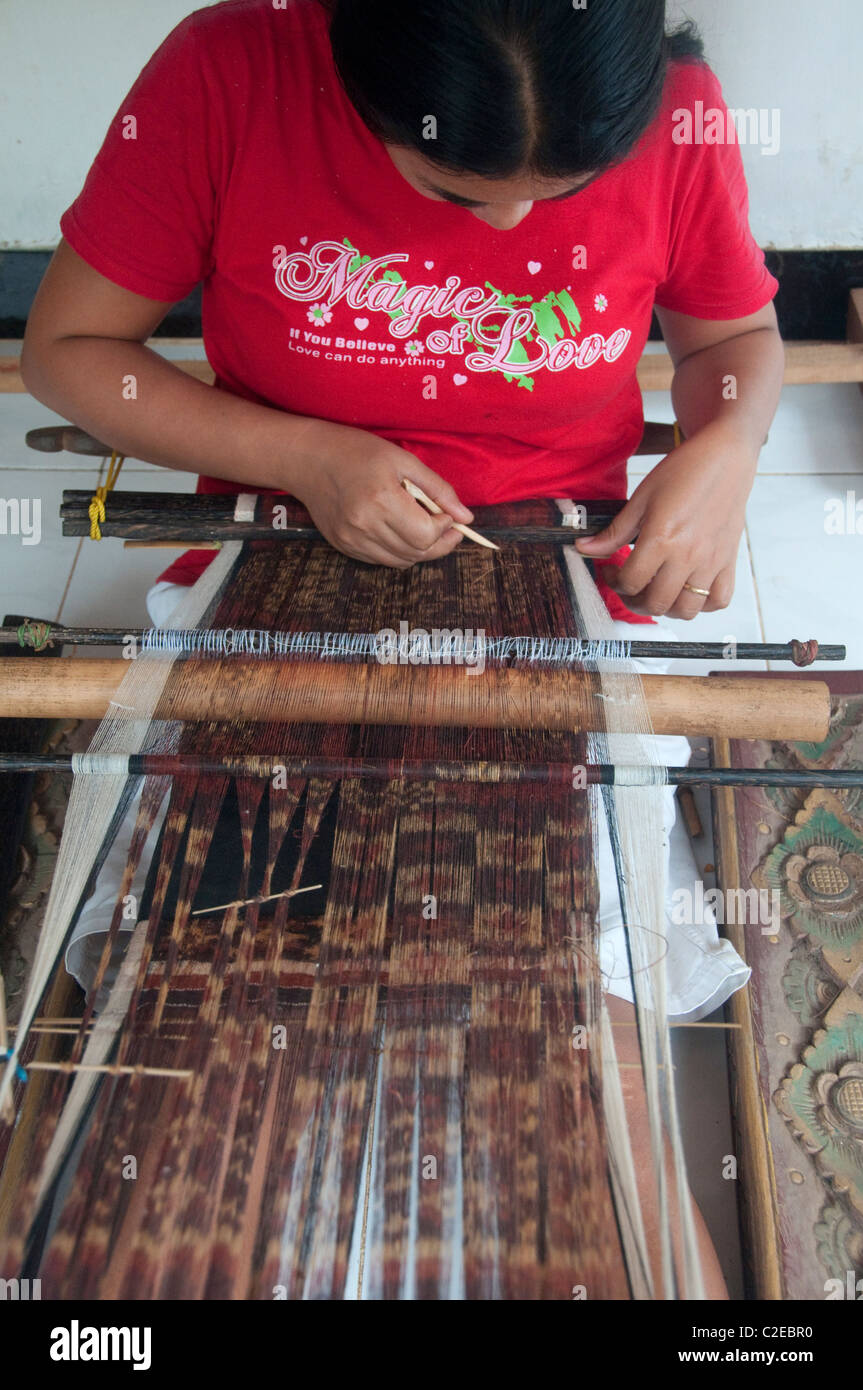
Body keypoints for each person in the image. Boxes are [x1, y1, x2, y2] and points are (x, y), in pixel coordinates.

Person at [22, 0, 782, 1297]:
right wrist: (305, 457)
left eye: (562, 191)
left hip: (546, 578)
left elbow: (732, 345)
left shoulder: (685, 111)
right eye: (448, 186)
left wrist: (726, 449)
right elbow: (70, 352)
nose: (500, 231)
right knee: (214, 980)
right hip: (281, 555)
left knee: (568, 999)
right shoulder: (233, 71)